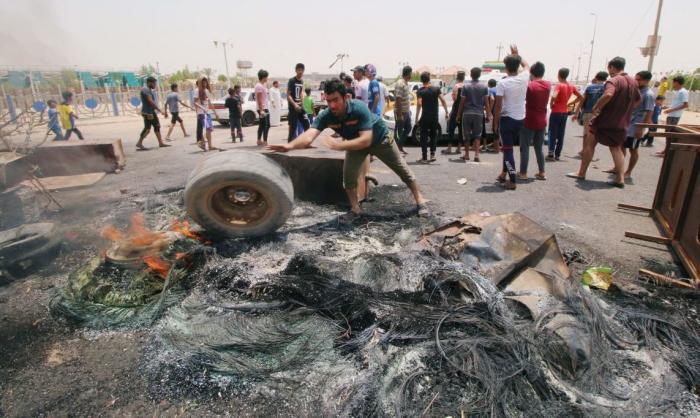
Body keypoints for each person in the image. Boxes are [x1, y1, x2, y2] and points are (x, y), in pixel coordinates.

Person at [267, 78, 428, 217]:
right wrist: (290, 146)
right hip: (355, 145)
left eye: (336, 100)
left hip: (380, 140)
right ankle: (355, 209)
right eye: (328, 101)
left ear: (346, 97)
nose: (332, 105)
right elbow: (309, 135)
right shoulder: (326, 115)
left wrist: (339, 145)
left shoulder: (358, 108)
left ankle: (420, 200)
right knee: (349, 178)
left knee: (403, 170)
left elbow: (366, 140)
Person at [567, 57, 640, 188]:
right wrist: (625, 110)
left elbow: (608, 95)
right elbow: (637, 100)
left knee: (589, 144)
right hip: (621, 122)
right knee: (616, 148)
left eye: (609, 68)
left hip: (605, 120)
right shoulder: (633, 82)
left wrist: (597, 107)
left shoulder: (613, 80)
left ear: (612, 67)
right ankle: (620, 179)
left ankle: (581, 173)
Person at [493, 45, 530, 190]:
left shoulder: (503, 83)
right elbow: (526, 65)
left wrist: (495, 123)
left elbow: (498, 106)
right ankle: (503, 174)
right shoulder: (524, 77)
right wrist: (517, 55)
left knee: (508, 150)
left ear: (505, 67)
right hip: (520, 119)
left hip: (507, 120)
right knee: (507, 148)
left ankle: (512, 180)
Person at [616, 70, 655, 179]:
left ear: (646, 81)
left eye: (639, 80)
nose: (636, 81)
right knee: (620, 146)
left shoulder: (648, 94)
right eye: (635, 79)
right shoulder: (636, 91)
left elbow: (649, 112)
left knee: (633, 149)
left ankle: (628, 172)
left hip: (636, 127)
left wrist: (641, 129)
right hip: (627, 124)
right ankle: (619, 168)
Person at [519, 61, 550, 180]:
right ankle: (542, 172)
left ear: (531, 73)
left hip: (529, 120)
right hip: (542, 121)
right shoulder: (547, 85)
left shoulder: (530, 86)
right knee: (539, 148)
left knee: (525, 147)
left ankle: (523, 173)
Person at [547, 68, 582, 161]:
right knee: (561, 133)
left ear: (559, 75)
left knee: (552, 132)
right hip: (564, 112)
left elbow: (554, 96)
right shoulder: (571, 86)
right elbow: (581, 97)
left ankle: (551, 153)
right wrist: (570, 103)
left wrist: (551, 104)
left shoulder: (559, 85)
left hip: (556, 112)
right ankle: (558, 154)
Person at [456, 67, 491, 162]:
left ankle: (467, 154)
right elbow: (487, 103)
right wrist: (488, 115)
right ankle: (476, 155)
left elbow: (462, 102)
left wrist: (458, 115)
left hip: (467, 113)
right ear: (479, 75)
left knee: (466, 134)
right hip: (479, 113)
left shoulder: (466, 86)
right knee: (478, 134)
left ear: (471, 75)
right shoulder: (484, 87)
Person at [414, 71, 449, 163]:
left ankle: (424, 157)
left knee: (423, 136)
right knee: (433, 135)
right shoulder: (436, 89)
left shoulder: (420, 91)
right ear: (429, 79)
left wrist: (417, 117)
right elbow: (443, 100)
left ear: (421, 80)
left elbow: (419, 104)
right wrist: (446, 112)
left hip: (425, 117)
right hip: (434, 117)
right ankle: (432, 154)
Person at [573, 71, 608, 156]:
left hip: (588, 113)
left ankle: (584, 150)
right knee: (594, 135)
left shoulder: (590, 87)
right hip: (599, 114)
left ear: (596, 77)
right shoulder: (606, 88)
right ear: (606, 79)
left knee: (586, 133)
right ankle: (589, 152)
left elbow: (582, 100)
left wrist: (576, 113)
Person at [657, 76, 689, 157]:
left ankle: (667, 153)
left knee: (670, 134)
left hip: (674, 116)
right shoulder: (678, 92)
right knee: (668, 134)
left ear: (677, 83)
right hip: (672, 115)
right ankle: (665, 151)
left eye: (673, 83)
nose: (673, 84)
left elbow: (685, 105)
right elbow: (677, 104)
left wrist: (671, 110)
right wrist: (668, 108)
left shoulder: (683, 92)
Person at [136, 77, 169, 150]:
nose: (155, 85)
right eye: (154, 83)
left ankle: (160, 143)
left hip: (150, 112)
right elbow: (150, 102)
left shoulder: (148, 90)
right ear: (149, 83)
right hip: (148, 113)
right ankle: (139, 143)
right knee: (147, 128)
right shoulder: (146, 90)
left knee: (156, 126)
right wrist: (160, 110)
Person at [193, 76, 218, 151]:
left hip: (207, 113)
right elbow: (195, 103)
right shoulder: (197, 91)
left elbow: (209, 103)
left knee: (209, 129)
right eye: (203, 82)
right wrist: (197, 113)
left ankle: (207, 144)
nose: (204, 83)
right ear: (200, 83)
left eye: (205, 82)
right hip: (202, 113)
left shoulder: (206, 91)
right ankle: (204, 143)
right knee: (208, 128)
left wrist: (215, 112)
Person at [444, 71, 465, 155]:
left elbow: (455, 98)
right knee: (461, 129)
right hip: (464, 109)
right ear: (463, 77)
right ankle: (459, 148)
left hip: (456, 108)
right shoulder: (466, 86)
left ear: (457, 77)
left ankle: (449, 148)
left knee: (451, 127)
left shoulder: (456, 86)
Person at [394, 65, 413, 156]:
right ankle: (397, 150)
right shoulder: (400, 83)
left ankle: (400, 146)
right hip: (401, 112)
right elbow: (398, 99)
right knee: (398, 131)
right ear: (408, 73)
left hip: (406, 112)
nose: (411, 75)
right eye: (411, 73)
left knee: (408, 127)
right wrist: (400, 114)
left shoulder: (406, 83)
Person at [287, 63, 310, 141]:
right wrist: (295, 105)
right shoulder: (292, 80)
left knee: (307, 124)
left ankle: (307, 143)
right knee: (293, 127)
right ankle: (289, 143)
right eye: (299, 70)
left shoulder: (302, 81)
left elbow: (301, 93)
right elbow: (288, 95)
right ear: (296, 70)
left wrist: (302, 104)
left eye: (302, 70)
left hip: (300, 107)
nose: (300, 72)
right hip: (293, 108)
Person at [255, 69, 271, 146]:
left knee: (262, 125)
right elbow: (259, 99)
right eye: (266, 77)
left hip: (264, 107)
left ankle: (259, 140)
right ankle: (265, 141)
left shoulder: (262, 86)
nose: (267, 78)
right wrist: (261, 110)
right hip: (263, 108)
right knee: (267, 125)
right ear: (263, 77)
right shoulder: (259, 86)